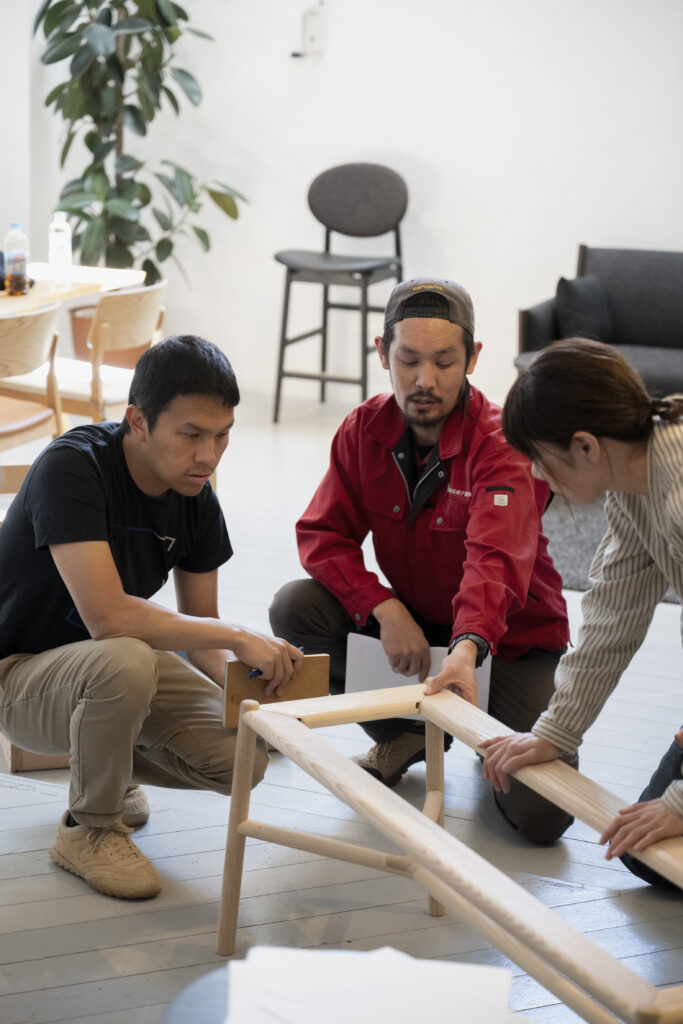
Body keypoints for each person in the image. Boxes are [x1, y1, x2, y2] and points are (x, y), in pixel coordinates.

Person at [269, 278, 573, 843]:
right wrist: (381, 605)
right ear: (382, 352)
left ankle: (485, 744)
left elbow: (494, 561)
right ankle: (407, 732)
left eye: (444, 362)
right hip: (420, 630)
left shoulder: (503, 444)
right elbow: (322, 535)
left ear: (473, 359)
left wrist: (468, 646)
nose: (424, 380)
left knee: (543, 820)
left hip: (507, 645)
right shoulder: (363, 429)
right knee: (297, 608)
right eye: (408, 360)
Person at [0, 336, 302, 900]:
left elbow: (200, 632)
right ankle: (89, 827)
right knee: (127, 655)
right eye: (191, 434)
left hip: (111, 671)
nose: (209, 455)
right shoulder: (73, 467)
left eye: (222, 434)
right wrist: (241, 635)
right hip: (18, 678)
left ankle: (111, 776)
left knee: (242, 760)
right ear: (138, 421)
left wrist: (256, 699)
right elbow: (109, 618)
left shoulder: (195, 497)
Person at [478, 337, 683, 886]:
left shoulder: (679, 497)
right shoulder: (633, 487)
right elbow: (611, 620)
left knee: (670, 831)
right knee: (648, 854)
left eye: (541, 462)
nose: (541, 479)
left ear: (586, 446)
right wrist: (557, 732)